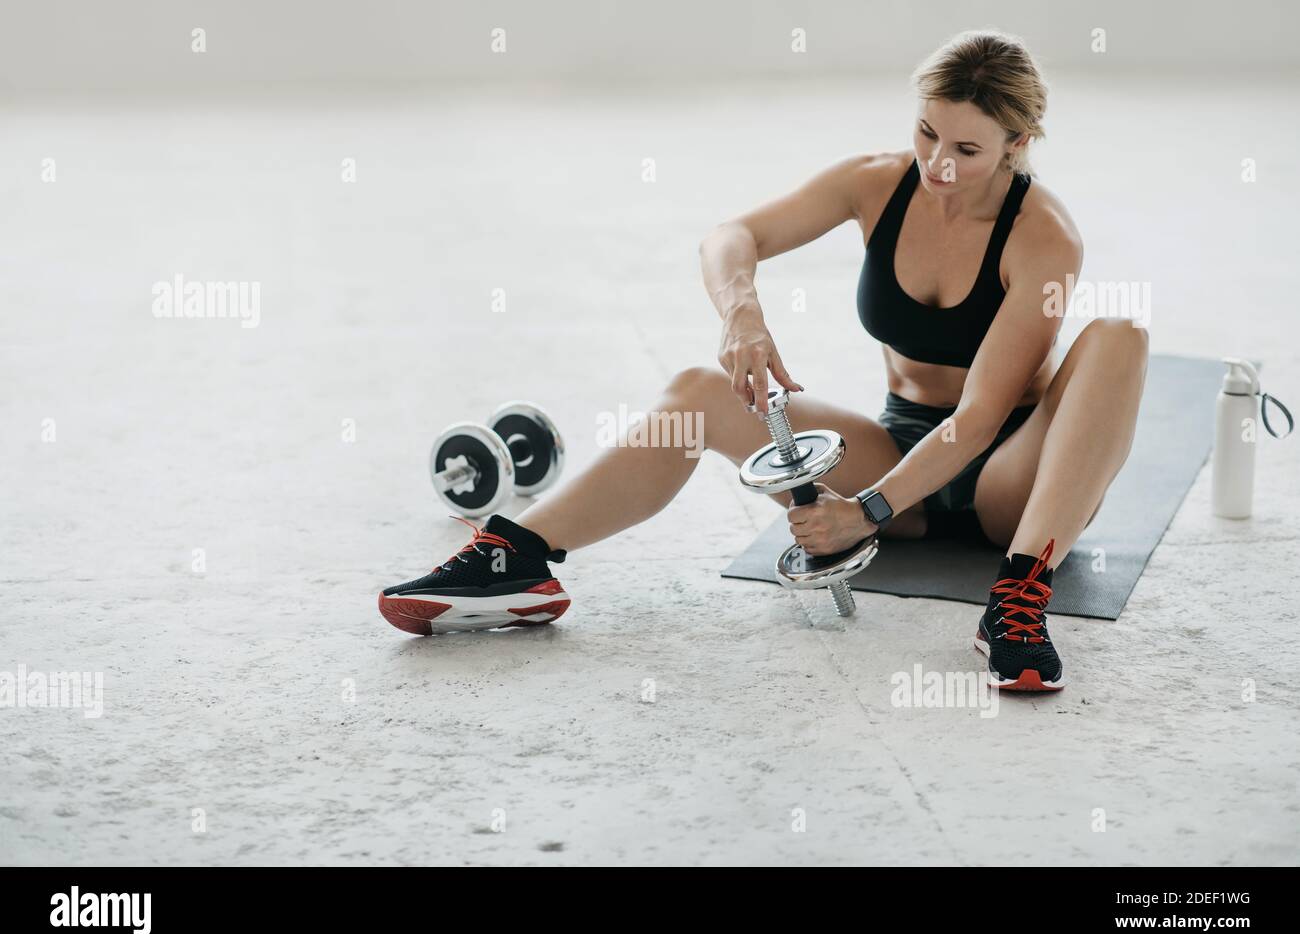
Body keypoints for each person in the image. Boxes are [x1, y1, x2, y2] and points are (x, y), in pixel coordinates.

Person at [379, 29, 1149, 692]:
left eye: (968, 149)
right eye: (927, 134)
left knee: (1119, 337)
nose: (937, 165)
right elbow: (730, 236)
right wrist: (740, 310)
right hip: (902, 450)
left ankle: (1018, 600)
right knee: (695, 391)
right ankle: (518, 557)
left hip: (1011, 479)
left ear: (1020, 143)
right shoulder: (875, 184)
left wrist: (861, 514)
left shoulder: (1045, 235)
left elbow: (979, 419)